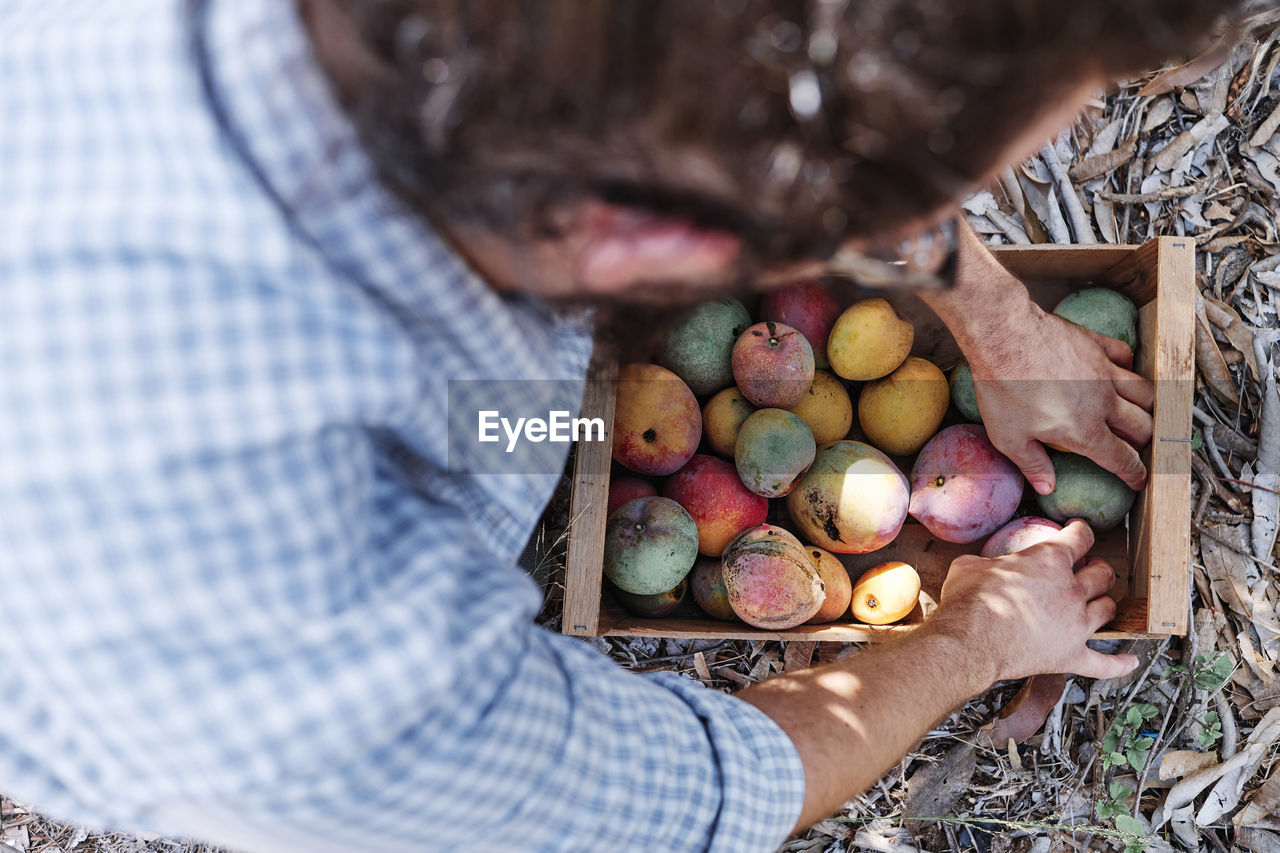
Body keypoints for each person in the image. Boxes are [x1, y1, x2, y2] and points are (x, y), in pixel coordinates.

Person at [0, 0, 1247, 850]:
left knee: (537, 432)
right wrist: (973, 635)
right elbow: (697, 798)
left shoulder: (531, 56)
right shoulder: (284, 630)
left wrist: (992, 315)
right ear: (668, 234)